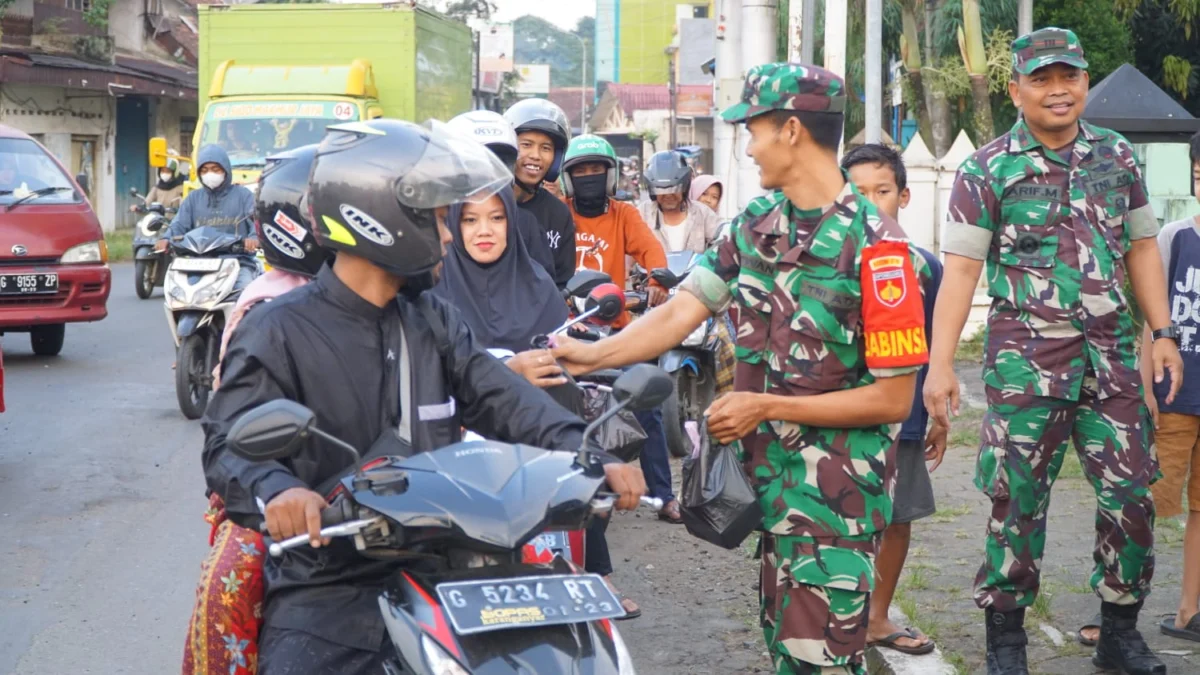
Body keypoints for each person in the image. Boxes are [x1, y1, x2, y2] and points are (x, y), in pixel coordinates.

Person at [202, 119, 647, 675]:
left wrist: (587, 450)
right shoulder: (277, 329)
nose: (447, 236)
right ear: (379, 218)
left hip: (450, 563)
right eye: (437, 219)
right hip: (333, 580)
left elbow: (504, 399)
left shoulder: (433, 319)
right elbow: (229, 444)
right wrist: (281, 489)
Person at [553, 63, 934, 675]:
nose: (748, 145)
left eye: (752, 130)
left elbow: (892, 400)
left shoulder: (880, 251)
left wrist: (766, 407)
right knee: (790, 655)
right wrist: (592, 353)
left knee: (823, 663)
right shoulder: (756, 226)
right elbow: (683, 310)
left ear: (789, 130)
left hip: (834, 505)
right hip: (770, 494)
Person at [924, 28, 1181, 675]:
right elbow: (959, 271)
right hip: (1024, 365)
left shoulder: (1117, 158)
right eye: (1041, 78)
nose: (1058, 89)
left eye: (1069, 76)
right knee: (1016, 499)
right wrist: (940, 362)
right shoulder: (987, 168)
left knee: (1131, 495)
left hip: (1113, 361)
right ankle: (1006, 643)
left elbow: (1143, 248)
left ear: (1085, 82)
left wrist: (1164, 331)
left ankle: (1120, 630)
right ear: (1015, 89)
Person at [430, 185, 643, 618]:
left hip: (542, 436)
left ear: (512, 223)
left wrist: (561, 358)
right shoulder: (431, 290)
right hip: (459, 445)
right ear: (453, 225)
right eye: (470, 220)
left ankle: (593, 571)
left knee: (576, 452)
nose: (483, 231)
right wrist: (508, 371)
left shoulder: (538, 281)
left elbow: (562, 361)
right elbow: (430, 372)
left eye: (496, 218)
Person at [183, 143, 327, 675]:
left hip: (382, 491)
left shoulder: (394, 296)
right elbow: (235, 427)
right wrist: (272, 485)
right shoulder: (266, 309)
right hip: (281, 491)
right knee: (227, 590)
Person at [842, 143, 945, 656]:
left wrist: (936, 410)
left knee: (898, 516)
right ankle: (837, 616)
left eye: (881, 191)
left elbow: (933, 351)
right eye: (858, 193)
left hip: (901, 417)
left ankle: (878, 617)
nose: (870, 202)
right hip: (841, 418)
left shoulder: (925, 268)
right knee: (841, 518)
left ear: (903, 196)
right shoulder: (827, 263)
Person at [561, 134, 682, 524]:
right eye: (581, 172)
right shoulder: (558, 213)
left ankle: (664, 495)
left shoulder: (624, 215)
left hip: (613, 331)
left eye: (596, 170)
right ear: (568, 178)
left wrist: (657, 282)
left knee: (644, 401)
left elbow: (650, 250)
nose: (589, 177)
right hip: (564, 330)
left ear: (610, 175)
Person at [1136, 130, 1200, 645]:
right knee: (1143, 504)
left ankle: (1187, 612)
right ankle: (1113, 612)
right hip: (1174, 397)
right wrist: (1145, 388)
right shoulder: (1176, 237)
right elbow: (1152, 320)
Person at [447, 110, 556, 277]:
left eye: (499, 162)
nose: (484, 231)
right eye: (469, 220)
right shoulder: (434, 230)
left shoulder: (526, 226)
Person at [158, 144, 259, 291]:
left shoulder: (243, 196)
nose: (209, 174)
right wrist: (166, 239)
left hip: (238, 262)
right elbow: (179, 224)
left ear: (225, 170)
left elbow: (256, 222)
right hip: (197, 264)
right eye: (204, 170)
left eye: (215, 169)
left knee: (246, 293)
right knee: (175, 292)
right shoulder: (193, 198)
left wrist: (254, 238)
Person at [504, 98, 576, 288]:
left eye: (546, 148)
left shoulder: (558, 214)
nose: (536, 155)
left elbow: (562, 283)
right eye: (526, 144)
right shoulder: (484, 206)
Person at [637, 150, 721, 255]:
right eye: (661, 190)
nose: (668, 195)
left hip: (694, 271)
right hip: (652, 271)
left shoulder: (703, 213)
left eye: (674, 189)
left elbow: (722, 238)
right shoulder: (643, 213)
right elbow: (627, 244)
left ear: (685, 186)